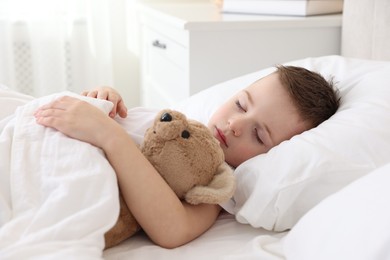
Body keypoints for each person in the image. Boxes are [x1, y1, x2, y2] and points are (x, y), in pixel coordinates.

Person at [34, 65, 340, 249]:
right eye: (241, 105)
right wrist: (104, 99)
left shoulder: (214, 180)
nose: (235, 125)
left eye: (258, 135)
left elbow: (173, 230)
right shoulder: (181, 121)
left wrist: (108, 134)